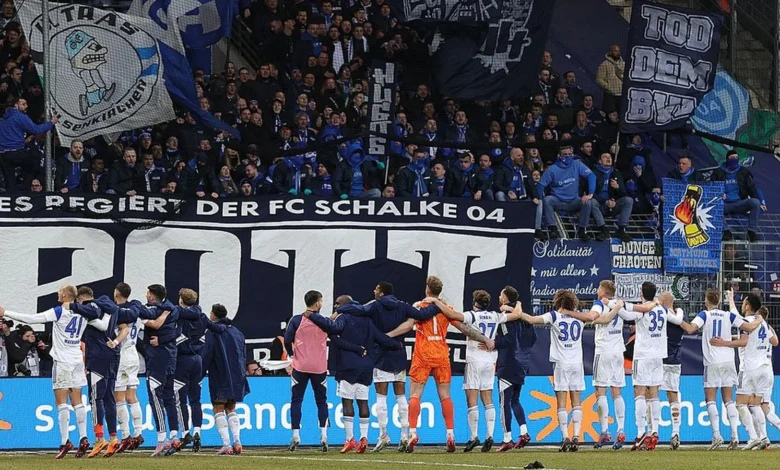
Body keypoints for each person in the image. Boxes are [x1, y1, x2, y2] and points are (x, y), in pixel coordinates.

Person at [386, 276, 494, 453]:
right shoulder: (446, 308)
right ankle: (450, 434)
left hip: (423, 353)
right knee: (445, 395)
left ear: (427, 289)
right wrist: (485, 339)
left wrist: (388, 335)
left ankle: (412, 433)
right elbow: (465, 328)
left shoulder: (419, 306)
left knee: (415, 394)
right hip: (441, 354)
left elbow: (408, 326)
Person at [0, 285, 108, 459]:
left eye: (59, 292)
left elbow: (32, 318)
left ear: (65, 295)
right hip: (77, 360)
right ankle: (84, 437)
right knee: (77, 401)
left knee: (61, 402)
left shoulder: (59, 312)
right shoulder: (84, 313)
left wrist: (6, 312)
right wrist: (110, 312)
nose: (58, 294)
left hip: (63, 361)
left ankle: (65, 441)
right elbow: (103, 326)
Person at [331, 282, 440, 452]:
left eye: (376, 289)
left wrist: (341, 309)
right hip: (399, 352)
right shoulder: (403, 306)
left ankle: (383, 434)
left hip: (380, 353)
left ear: (381, 293)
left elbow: (359, 310)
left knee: (381, 397)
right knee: (401, 395)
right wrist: (437, 305)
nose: (374, 291)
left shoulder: (375, 305)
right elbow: (422, 314)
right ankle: (404, 435)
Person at [516, 290, 620, 452]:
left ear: (558, 301)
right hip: (576, 363)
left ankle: (565, 437)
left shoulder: (554, 316)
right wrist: (617, 308)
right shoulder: (580, 317)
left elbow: (531, 319)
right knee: (576, 401)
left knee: (562, 402)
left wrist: (518, 311)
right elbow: (604, 319)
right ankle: (576, 436)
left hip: (561, 363)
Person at [301, 295, 402, 454]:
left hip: (348, 366)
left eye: (338, 304)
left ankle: (350, 439)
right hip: (366, 366)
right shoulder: (367, 320)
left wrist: (313, 316)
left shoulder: (343, 317)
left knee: (347, 403)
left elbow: (334, 329)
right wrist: (397, 346)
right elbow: (381, 338)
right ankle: (364, 438)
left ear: (345, 305)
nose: (335, 306)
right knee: (363, 402)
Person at [425, 291, 523, 452]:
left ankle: (473, 436)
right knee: (488, 399)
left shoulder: (472, 315)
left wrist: (436, 302)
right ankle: (490, 436)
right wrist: (517, 303)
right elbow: (518, 315)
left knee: (472, 399)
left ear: (475, 302)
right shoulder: (495, 316)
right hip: (490, 360)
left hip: (475, 359)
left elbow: (452, 314)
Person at [679, 289, 762, 450]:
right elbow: (748, 327)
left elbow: (690, 329)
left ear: (706, 301)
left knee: (710, 399)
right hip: (729, 361)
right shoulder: (728, 315)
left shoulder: (705, 314)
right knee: (728, 399)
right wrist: (759, 319)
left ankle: (717, 435)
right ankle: (735, 435)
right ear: (719, 301)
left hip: (712, 362)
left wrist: (676, 319)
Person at [563, 280, 638, 450]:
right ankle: (621, 429)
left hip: (603, 351)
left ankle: (604, 431)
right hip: (618, 351)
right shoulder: (618, 304)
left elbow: (592, 317)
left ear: (604, 291)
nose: (597, 290)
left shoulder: (600, 304)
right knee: (617, 391)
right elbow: (631, 315)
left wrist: (571, 313)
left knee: (600, 391)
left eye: (598, 288)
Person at [615, 282, 681, 451]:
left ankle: (641, 432)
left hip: (643, 355)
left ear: (641, 293)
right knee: (654, 393)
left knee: (639, 392)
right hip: (658, 356)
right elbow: (678, 319)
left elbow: (625, 315)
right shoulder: (662, 310)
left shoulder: (642, 310)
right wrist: (679, 310)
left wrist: (615, 304)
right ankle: (655, 432)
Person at [711, 293, 777, 450]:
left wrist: (723, 343)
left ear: (747, 306)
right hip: (765, 368)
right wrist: (731, 300)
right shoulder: (763, 323)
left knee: (740, 404)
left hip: (749, 368)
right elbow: (774, 341)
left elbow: (743, 341)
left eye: (744, 303)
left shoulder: (747, 321)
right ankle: (764, 437)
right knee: (755, 405)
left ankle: (753, 437)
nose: (742, 305)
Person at [165, 288, 227, 455]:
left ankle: (185, 433)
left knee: (180, 400)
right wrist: (226, 323)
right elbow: (219, 329)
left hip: (182, 360)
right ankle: (198, 431)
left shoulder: (178, 315)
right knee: (196, 399)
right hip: (198, 361)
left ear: (181, 300)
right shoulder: (202, 317)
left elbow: (171, 332)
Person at [66, 286, 121, 458]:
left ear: (81, 299)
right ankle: (113, 437)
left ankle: (99, 438)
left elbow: (101, 325)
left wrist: (74, 308)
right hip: (113, 355)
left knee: (96, 398)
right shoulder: (109, 307)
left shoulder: (92, 309)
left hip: (98, 357)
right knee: (109, 398)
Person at [284, 290, 333, 451]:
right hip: (319, 367)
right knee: (321, 401)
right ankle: (324, 435)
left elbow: (287, 339)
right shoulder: (324, 322)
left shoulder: (296, 320)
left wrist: (292, 355)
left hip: (300, 366)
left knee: (296, 400)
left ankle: (296, 435)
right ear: (317, 303)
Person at [201, 303, 251, 456]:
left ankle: (226, 444)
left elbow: (207, 354)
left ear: (213, 315)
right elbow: (243, 355)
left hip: (220, 374)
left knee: (218, 407)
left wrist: (199, 373)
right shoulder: (237, 332)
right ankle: (237, 441)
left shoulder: (212, 332)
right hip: (237, 376)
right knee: (231, 407)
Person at [136, 284, 180, 457]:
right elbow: (177, 329)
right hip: (171, 358)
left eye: (148, 293)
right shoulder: (172, 309)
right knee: (169, 399)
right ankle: (174, 436)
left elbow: (154, 324)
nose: (146, 295)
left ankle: (162, 439)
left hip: (157, 360)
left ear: (152, 296)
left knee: (155, 398)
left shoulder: (150, 310)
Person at [492, 286, 537, 452]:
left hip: (509, 363)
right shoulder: (524, 317)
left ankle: (507, 439)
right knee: (515, 400)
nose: (499, 296)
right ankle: (524, 432)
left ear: (505, 298)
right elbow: (533, 338)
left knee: (504, 403)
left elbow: (508, 339)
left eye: (500, 294)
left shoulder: (505, 316)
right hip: (522, 363)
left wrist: (494, 343)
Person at [110, 283, 146, 453]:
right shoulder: (135, 311)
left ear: (116, 293)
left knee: (119, 398)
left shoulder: (118, 311)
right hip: (134, 354)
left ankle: (125, 436)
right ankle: (138, 432)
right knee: (132, 396)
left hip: (123, 354)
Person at [538, 146, 599, 241]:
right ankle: (552, 229)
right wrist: (539, 198)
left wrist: (590, 193)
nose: (567, 156)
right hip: (558, 201)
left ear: (573, 155)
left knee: (588, 201)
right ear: (559, 156)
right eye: (565, 154)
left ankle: (582, 230)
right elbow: (541, 184)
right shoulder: (552, 169)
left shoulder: (577, 164)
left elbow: (591, 176)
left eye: (570, 154)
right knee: (547, 200)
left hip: (573, 200)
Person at [0, 97, 57, 191]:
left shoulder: (3, 119)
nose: (26, 106)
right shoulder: (19, 116)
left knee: (10, 183)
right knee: (34, 164)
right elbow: (35, 129)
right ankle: (25, 190)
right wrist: (51, 123)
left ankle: (13, 196)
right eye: (23, 104)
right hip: (16, 152)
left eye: (26, 104)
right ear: (16, 105)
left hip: (2, 154)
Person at [711, 149, 765, 241]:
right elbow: (712, 188)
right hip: (724, 204)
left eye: (736, 158)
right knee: (713, 206)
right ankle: (726, 231)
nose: (734, 160)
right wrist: (719, 194)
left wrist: (760, 202)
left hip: (740, 202)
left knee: (755, 202)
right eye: (732, 158)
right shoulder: (718, 172)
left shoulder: (743, 171)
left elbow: (752, 188)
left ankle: (752, 232)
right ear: (727, 159)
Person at [596, 45, 624, 115]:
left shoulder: (624, 64)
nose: (618, 53)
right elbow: (599, 79)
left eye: (619, 51)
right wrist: (609, 87)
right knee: (609, 117)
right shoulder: (604, 64)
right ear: (610, 52)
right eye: (615, 51)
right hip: (610, 96)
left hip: (621, 95)